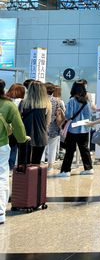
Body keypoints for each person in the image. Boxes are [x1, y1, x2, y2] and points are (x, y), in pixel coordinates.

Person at [0, 79, 30, 225]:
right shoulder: (8, 105)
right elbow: (18, 127)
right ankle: (0, 212)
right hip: (1, 145)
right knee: (2, 177)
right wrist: (23, 138)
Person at [57, 81, 94, 177]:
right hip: (84, 128)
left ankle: (66, 171)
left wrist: (63, 113)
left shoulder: (72, 101)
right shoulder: (87, 101)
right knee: (84, 149)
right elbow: (90, 115)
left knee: (70, 150)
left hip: (73, 129)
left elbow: (68, 115)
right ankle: (89, 168)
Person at [19, 80, 51, 165]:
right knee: (36, 163)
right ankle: (35, 174)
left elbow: (19, 120)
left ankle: (24, 173)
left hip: (25, 135)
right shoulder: (47, 104)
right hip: (41, 135)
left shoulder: (23, 103)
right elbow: (48, 122)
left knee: (23, 163)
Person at [43, 83, 65, 169]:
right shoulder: (58, 101)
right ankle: (50, 166)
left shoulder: (41, 101)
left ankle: (41, 164)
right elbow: (63, 113)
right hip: (55, 126)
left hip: (43, 127)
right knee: (53, 147)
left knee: (42, 147)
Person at [6, 83, 25, 170]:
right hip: (14, 128)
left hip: (4, 127)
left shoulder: (6, 100)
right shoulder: (22, 102)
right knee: (13, 148)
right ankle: (10, 167)